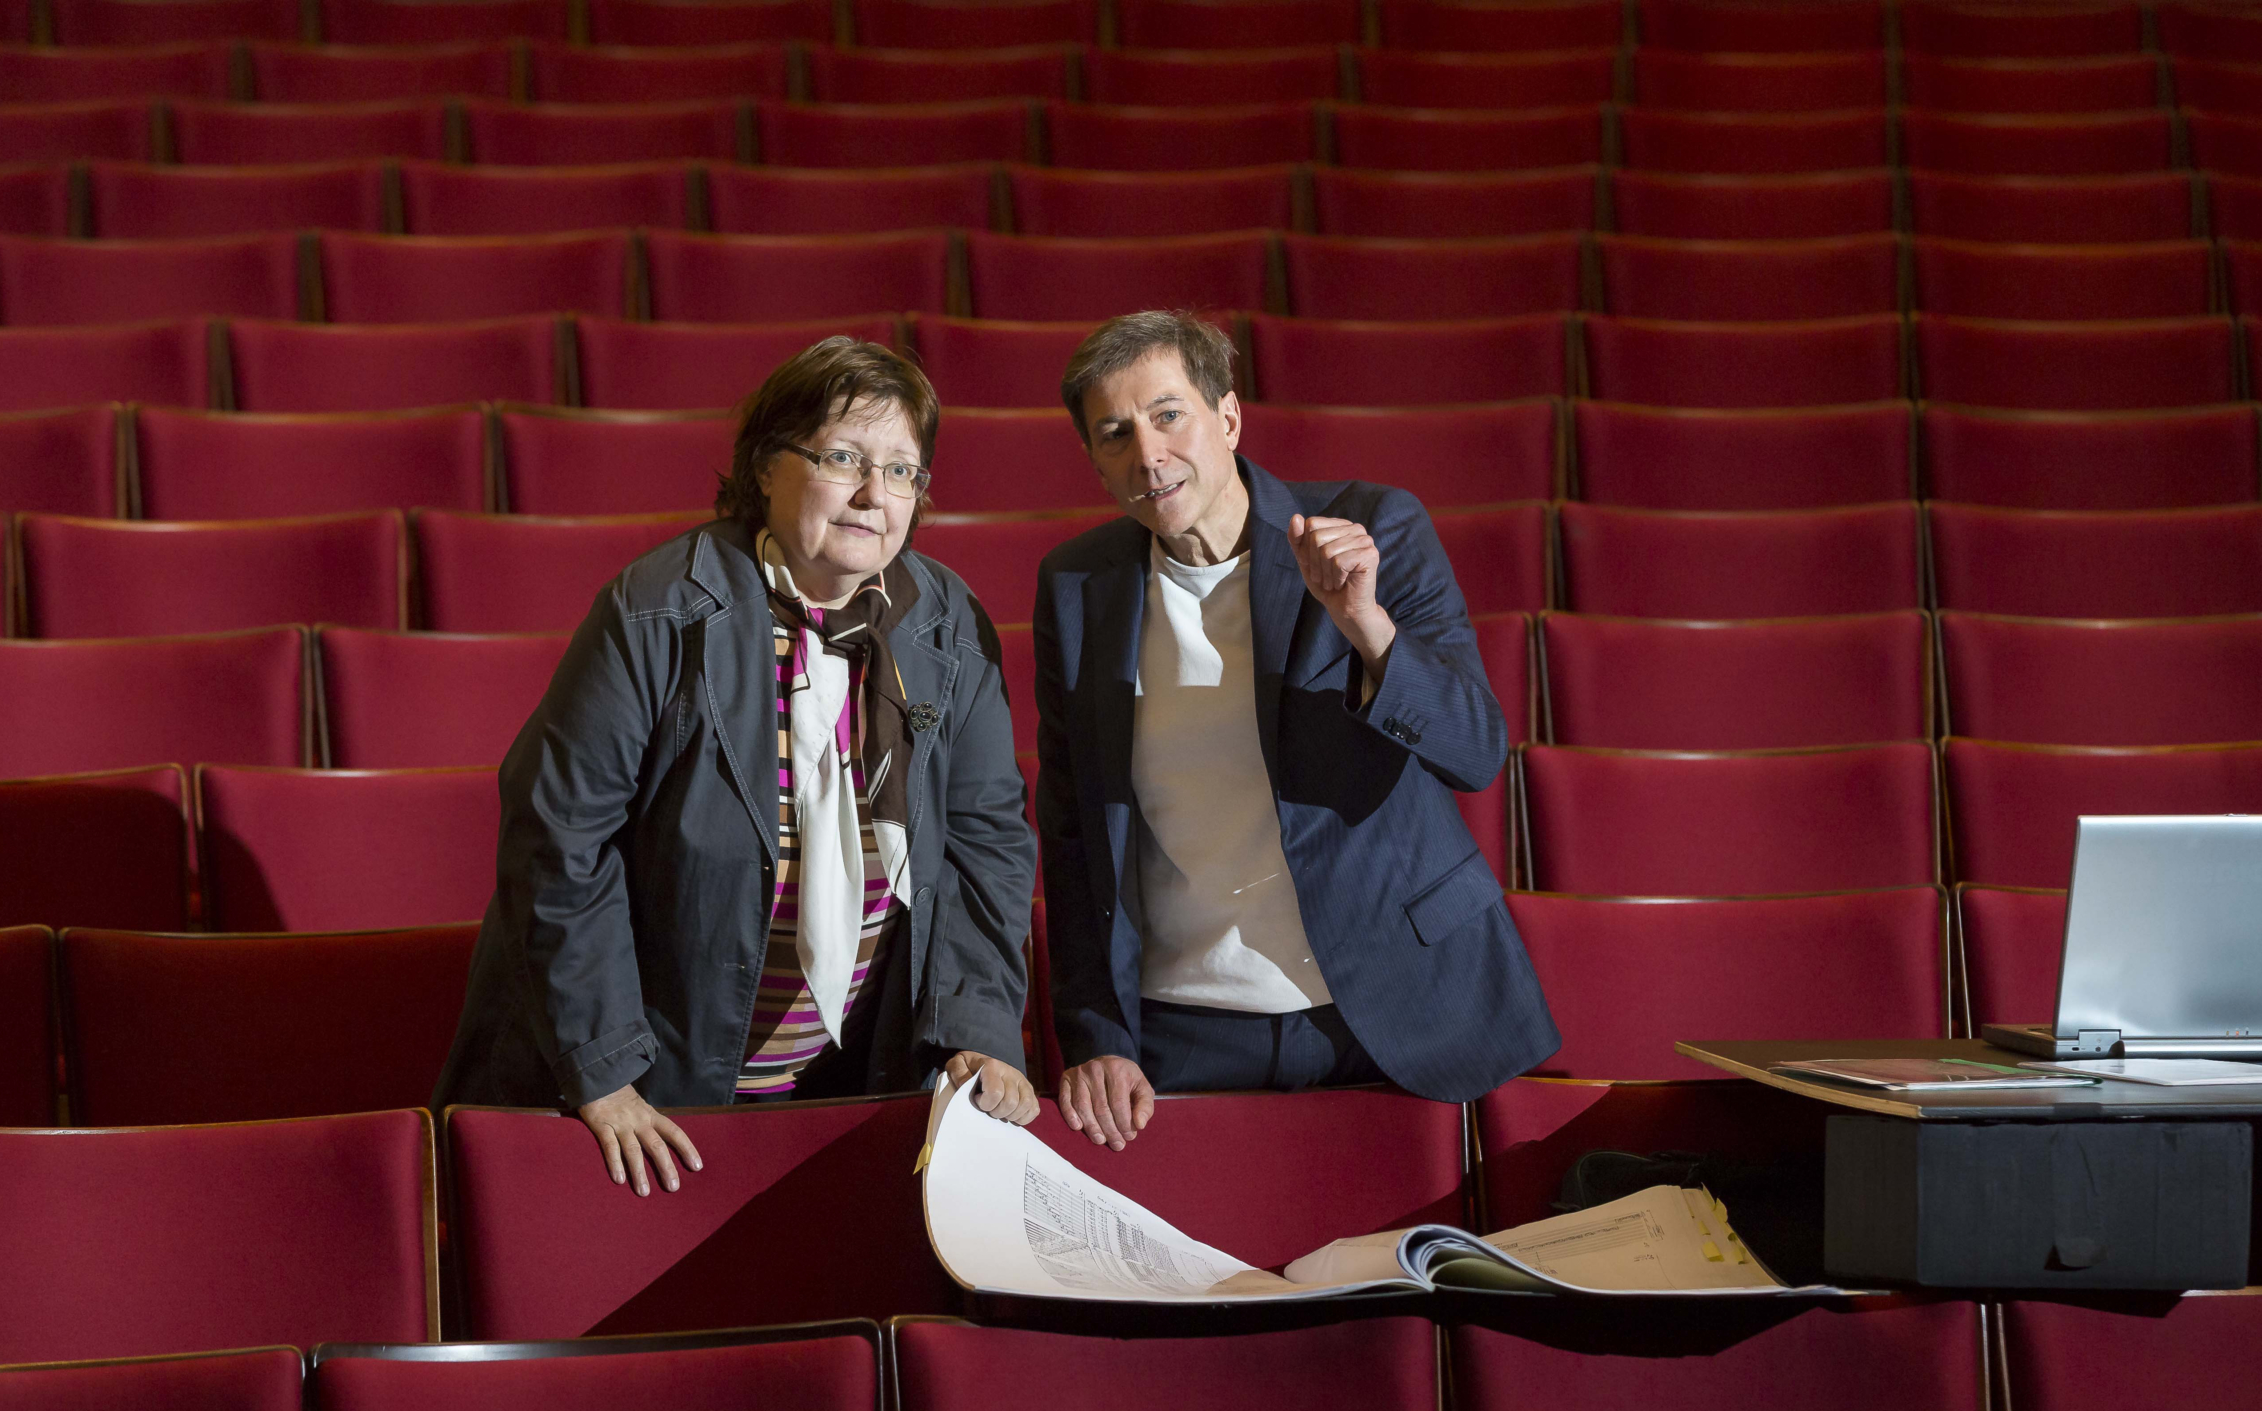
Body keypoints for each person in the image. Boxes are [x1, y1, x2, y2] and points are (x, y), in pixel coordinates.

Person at [436, 336, 1038, 1195]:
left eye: (902, 471)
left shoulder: (948, 624)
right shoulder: (655, 610)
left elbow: (988, 843)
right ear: (765, 467)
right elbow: (558, 840)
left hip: (852, 1091)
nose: (876, 495)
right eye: (844, 458)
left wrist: (977, 1028)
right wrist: (604, 1074)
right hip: (652, 1099)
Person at [1032, 310, 1559, 1150]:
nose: (1148, 452)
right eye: (1114, 432)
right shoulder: (1077, 586)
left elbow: (1475, 750)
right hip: (1187, 1029)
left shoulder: (1374, 527)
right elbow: (1071, 832)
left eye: (1169, 415)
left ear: (1229, 417)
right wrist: (1097, 1031)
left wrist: (1366, 626)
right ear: (1096, 462)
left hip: (1395, 1002)